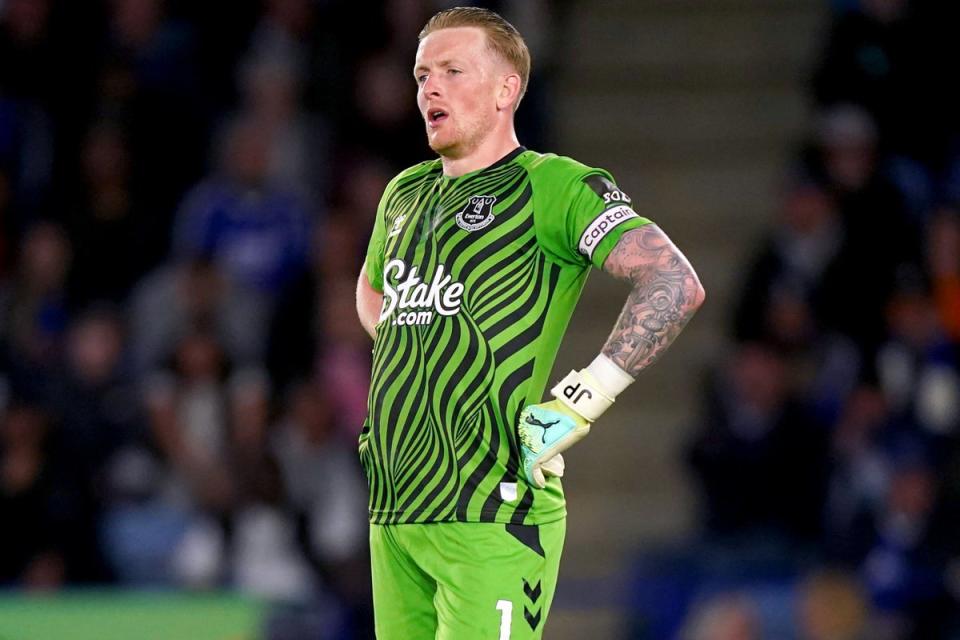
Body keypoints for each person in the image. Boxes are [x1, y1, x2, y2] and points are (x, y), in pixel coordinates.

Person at [354, 7, 705, 639]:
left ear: (506, 89)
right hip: (395, 510)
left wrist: (580, 401)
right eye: (421, 74)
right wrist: (418, 350)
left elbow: (673, 281)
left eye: (453, 71)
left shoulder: (556, 187)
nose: (429, 88)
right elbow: (373, 290)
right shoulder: (403, 194)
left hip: (492, 509)